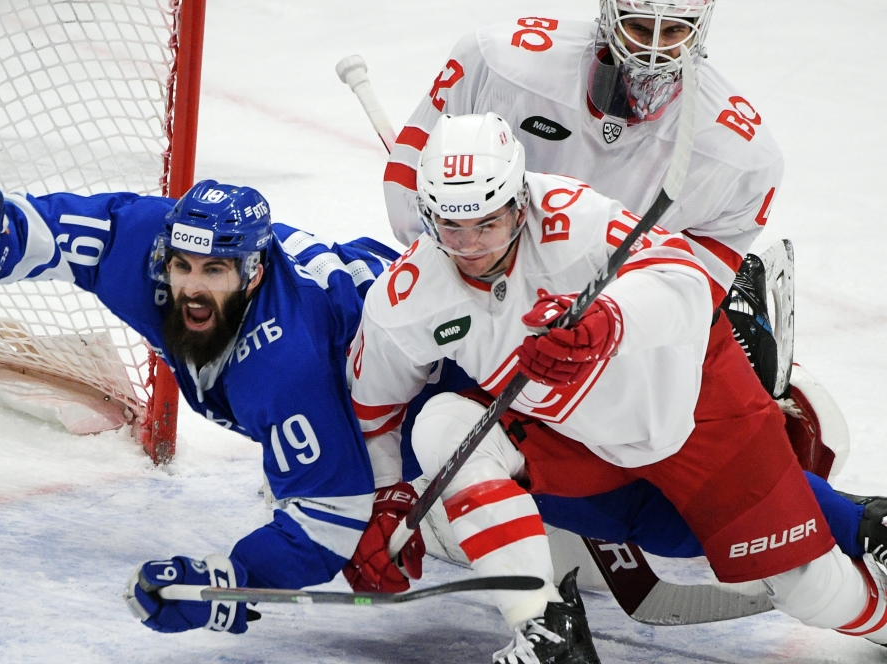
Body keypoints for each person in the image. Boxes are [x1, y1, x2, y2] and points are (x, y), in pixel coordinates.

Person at [348, 112, 887, 663]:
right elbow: (376, 407)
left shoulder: (573, 217)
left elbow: (687, 285)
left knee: (811, 591)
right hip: (577, 441)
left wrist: (605, 323)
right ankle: (544, 629)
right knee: (443, 427)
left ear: (519, 202)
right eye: (450, 227)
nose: (470, 249)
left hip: (699, 410)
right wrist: (389, 498)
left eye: (486, 224)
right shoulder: (406, 297)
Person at [0, 180, 429, 636]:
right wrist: (4, 231)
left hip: (434, 368)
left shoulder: (284, 364)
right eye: (183, 265)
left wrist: (227, 581)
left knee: (412, 498)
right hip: (350, 344)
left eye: (215, 270)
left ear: (254, 274)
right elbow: (80, 231)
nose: (191, 287)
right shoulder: (153, 256)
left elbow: (327, 522)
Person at [381, 0, 850, 484]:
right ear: (609, 14)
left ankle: (745, 319)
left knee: (712, 452)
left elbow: (693, 288)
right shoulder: (501, 60)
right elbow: (406, 183)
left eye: (673, 32)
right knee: (428, 421)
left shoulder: (741, 150)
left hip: (611, 314)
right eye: (640, 25)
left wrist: (613, 328)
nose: (652, 50)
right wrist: (462, 264)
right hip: (494, 282)